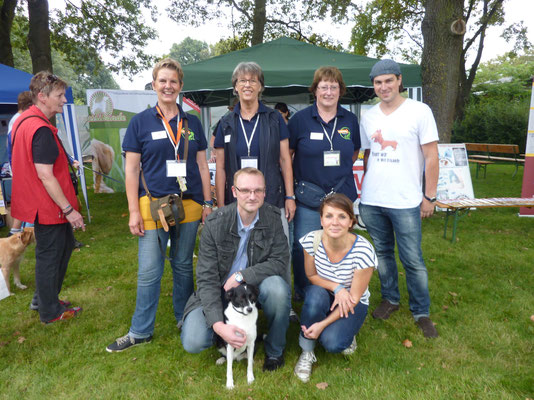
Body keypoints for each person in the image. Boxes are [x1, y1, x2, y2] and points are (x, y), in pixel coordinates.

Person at [106, 58, 212, 352]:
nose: (168, 86)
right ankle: (140, 330)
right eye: (162, 81)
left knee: (182, 265)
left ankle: (185, 319)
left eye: (173, 81)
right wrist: (131, 211)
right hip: (152, 205)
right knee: (150, 269)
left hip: (189, 203)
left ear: (180, 86)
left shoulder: (191, 123)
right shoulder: (140, 122)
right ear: (154, 85)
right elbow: (130, 170)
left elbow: (203, 166)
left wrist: (208, 202)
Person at [358, 59, 439, 338]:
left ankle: (421, 311)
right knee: (382, 254)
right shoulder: (368, 116)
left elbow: (431, 156)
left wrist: (429, 196)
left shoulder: (419, 111)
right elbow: (367, 155)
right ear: (374, 86)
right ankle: (391, 298)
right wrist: (362, 192)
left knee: (412, 259)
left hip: (406, 200)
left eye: (388, 80)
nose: (384, 87)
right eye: (378, 83)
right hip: (373, 199)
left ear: (399, 80)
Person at [181, 167, 291, 372]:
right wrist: (218, 325)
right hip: (220, 290)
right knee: (193, 341)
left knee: (277, 289)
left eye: (258, 190)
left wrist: (243, 276)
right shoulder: (215, 223)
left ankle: (274, 351)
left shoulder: (273, 217)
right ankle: (227, 335)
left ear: (265, 192)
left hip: (254, 289)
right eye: (245, 190)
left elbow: (280, 260)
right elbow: (206, 279)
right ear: (234, 191)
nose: (252, 196)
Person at [10, 72, 84, 324]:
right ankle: (49, 310)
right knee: (50, 256)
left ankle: (46, 298)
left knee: (62, 248)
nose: (64, 100)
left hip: (42, 203)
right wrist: (68, 210)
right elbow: (45, 174)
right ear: (42, 97)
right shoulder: (39, 128)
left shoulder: (24, 121)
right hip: (49, 205)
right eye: (59, 96)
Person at [289, 66, 361, 302]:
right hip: (310, 198)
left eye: (333, 86)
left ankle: (338, 288)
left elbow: (354, 152)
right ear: (315, 90)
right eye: (323, 87)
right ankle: (303, 288)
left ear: (340, 91)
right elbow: (288, 156)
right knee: (303, 247)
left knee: (338, 247)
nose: (328, 91)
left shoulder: (350, 119)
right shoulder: (300, 120)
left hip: (341, 197)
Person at [293, 193, 377, 382]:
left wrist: (322, 325)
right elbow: (312, 276)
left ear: (351, 222)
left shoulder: (363, 251)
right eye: (329, 216)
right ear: (321, 220)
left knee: (332, 343)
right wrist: (337, 287)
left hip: (353, 301)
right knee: (314, 296)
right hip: (325, 293)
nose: (335, 222)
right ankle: (307, 351)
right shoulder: (311, 241)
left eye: (342, 216)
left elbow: (354, 298)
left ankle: (346, 330)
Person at [214, 62, 295, 250]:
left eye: (253, 81)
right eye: (242, 80)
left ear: (260, 87)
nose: (247, 85)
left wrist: (290, 197)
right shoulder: (225, 123)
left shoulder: (275, 119)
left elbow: (285, 160)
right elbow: (220, 168)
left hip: (272, 197)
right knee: (240, 252)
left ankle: (276, 281)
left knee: (279, 252)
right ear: (235, 87)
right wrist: (220, 205)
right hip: (238, 200)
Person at [6, 91, 33, 237]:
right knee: (29, 201)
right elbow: (16, 149)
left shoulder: (17, 119)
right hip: (21, 169)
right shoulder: (20, 120)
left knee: (26, 201)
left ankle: (15, 232)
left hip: (19, 169)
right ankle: (22, 233)